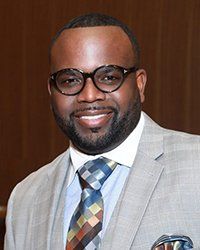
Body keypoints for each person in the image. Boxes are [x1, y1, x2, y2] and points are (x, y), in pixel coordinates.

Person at [4, 13, 200, 250]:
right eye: (70, 80)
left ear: (139, 84)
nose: (89, 95)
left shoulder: (195, 167)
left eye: (108, 77)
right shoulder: (25, 199)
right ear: (52, 91)